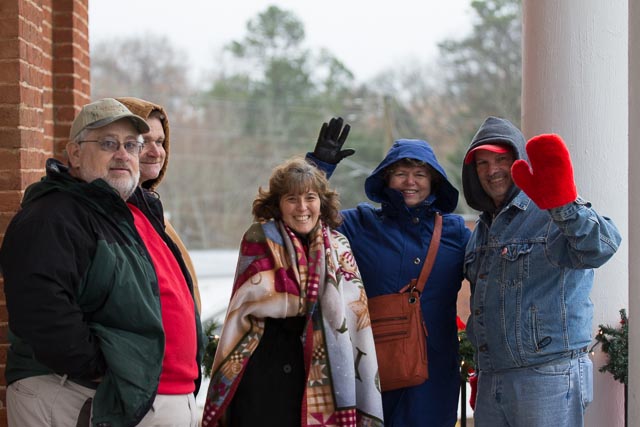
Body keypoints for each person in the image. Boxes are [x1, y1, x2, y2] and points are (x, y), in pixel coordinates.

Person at [0, 98, 205, 427]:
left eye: (131, 145)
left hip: (144, 398)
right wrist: (103, 370)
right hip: (77, 395)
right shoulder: (54, 214)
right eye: (108, 143)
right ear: (76, 154)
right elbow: (40, 306)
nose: (123, 154)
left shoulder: (126, 212)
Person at [308, 119, 471, 427]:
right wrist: (317, 168)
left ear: (434, 181)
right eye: (401, 173)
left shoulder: (455, 232)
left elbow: (495, 272)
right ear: (386, 179)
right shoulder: (359, 224)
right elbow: (300, 219)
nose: (411, 181)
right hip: (372, 375)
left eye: (420, 174)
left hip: (434, 380)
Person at [461, 116, 622, 427]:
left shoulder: (550, 211)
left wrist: (564, 205)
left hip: (547, 376)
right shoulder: (481, 229)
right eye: (482, 163)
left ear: (518, 161)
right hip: (493, 377)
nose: (492, 170)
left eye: (501, 159)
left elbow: (603, 245)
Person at [201, 156, 384, 427]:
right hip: (265, 375)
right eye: (291, 198)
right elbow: (256, 300)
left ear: (321, 202)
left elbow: (355, 316)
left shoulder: (339, 246)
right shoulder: (259, 238)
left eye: (310, 197)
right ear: (278, 205)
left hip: (329, 376)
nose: (302, 207)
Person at [116, 96, 202, 312]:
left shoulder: (151, 208)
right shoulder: (115, 214)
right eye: (144, 142)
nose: (157, 152)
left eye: (161, 142)